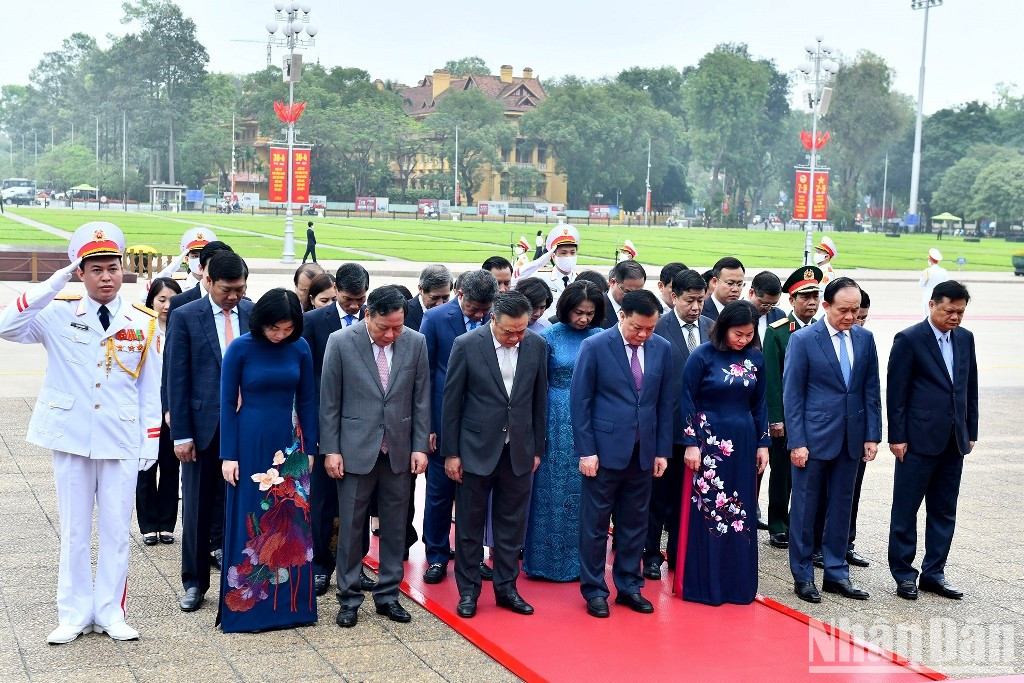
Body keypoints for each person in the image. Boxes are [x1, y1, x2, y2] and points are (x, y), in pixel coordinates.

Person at [0, 222, 160, 644]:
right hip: (71, 435)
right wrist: (50, 285)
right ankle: (72, 613)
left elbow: (150, 387)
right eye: (96, 269)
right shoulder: (55, 311)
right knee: (73, 530)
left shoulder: (141, 321)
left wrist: (151, 439)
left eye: (113, 267)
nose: (107, 277)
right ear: (80, 272)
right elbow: (7, 326)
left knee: (114, 530)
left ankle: (110, 612)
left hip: (121, 436)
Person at [318, 286, 429, 627]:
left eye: (397, 327)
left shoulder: (415, 342)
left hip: (397, 450)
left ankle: (388, 595)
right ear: (368, 315)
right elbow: (330, 402)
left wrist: (419, 446)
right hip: (354, 450)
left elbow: (421, 399)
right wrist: (331, 449)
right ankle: (349, 597)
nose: (391, 334)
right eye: (385, 328)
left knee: (396, 527)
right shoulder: (340, 342)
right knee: (351, 526)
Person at [217, 289, 317, 632]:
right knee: (252, 513)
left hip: (290, 445)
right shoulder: (240, 348)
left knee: (293, 519)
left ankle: (293, 608)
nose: (280, 335)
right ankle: (249, 605)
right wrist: (228, 454)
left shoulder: (300, 348)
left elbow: (307, 400)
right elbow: (227, 404)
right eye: (274, 328)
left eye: (287, 329)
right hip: (250, 441)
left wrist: (311, 448)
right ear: (261, 321)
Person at [443, 291, 548, 618]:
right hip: (476, 449)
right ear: (492, 321)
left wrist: (537, 449)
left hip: (518, 449)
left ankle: (506, 588)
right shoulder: (466, 344)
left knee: (511, 525)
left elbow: (538, 400)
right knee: (470, 526)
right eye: (508, 332)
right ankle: (469, 592)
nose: (516, 337)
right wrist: (451, 453)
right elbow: (451, 404)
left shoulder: (536, 345)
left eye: (521, 330)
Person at [571, 290, 672, 618]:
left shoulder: (662, 349)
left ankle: (629, 585)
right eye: (637, 328)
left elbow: (664, 404)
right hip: (603, 452)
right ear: (622, 317)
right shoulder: (596, 347)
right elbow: (581, 402)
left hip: (643, 453)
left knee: (635, 523)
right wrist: (586, 451)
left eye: (650, 329)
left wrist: (661, 451)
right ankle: (595, 589)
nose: (643, 335)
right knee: (595, 524)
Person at [783, 277, 881, 604]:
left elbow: (870, 390)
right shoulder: (805, 340)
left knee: (842, 507)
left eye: (855, 311)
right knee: (805, 509)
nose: (850, 317)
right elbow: (792, 395)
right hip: (812, 439)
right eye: (843, 310)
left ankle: (837, 573)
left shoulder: (865, 340)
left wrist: (872, 435)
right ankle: (803, 575)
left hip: (851, 439)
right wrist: (796, 441)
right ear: (826, 306)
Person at [166, 250, 254, 613]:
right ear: (208, 281)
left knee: (247, 505)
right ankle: (195, 582)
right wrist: (181, 434)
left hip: (247, 426)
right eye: (227, 289)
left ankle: (246, 578)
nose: (234, 296)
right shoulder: (186, 316)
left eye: (241, 289)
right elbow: (176, 376)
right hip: (204, 427)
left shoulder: (253, 313)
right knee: (199, 509)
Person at [672, 300, 769, 605]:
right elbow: (685, 399)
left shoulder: (755, 358)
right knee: (708, 511)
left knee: (740, 510)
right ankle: (703, 584)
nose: (743, 340)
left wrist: (763, 444)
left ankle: (736, 585)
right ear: (724, 328)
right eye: (738, 334)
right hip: (708, 443)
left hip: (743, 441)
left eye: (748, 334)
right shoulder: (703, 355)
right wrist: (689, 443)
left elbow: (760, 402)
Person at [887, 280, 978, 601]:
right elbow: (896, 393)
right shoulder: (910, 340)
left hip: (954, 440)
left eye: (961, 312)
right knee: (906, 509)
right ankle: (903, 574)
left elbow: (969, 388)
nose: (955, 317)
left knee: (944, 510)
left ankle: (934, 573)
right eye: (949, 310)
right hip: (916, 440)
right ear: (932, 305)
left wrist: (971, 432)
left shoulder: (965, 340)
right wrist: (896, 436)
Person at [419, 269, 498, 584]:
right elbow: (423, 375)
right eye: (474, 309)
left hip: (482, 425)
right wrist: (427, 426)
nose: (480, 315)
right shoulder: (437, 319)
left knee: (476, 496)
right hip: (443, 422)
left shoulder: (495, 319)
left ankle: (472, 556)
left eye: (485, 310)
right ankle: (437, 555)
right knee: (439, 493)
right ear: (459, 295)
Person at [523, 282, 605, 581]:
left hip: (591, 418)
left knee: (585, 491)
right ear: (566, 309)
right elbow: (535, 383)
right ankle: (543, 562)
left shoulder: (600, 337)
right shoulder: (549, 338)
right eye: (578, 312)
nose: (583, 319)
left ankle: (581, 563)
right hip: (554, 418)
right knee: (550, 490)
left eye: (589, 313)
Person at [302, 263, 371, 597]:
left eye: (360, 299)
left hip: (364, 426)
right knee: (323, 500)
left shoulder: (374, 321)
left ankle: (356, 564)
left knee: (360, 500)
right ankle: (319, 565)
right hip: (323, 422)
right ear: (336, 291)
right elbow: (305, 375)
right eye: (348, 299)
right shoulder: (314, 322)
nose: (355, 306)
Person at [643, 269, 712, 580]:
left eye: (701, 300)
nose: (696, 307)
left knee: (691, 498)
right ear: (673, 297)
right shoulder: (657, 329)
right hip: (668, 429)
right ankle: (651, 555)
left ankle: (679, 553)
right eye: (689, 300)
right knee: (659, 498)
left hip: (704, 432)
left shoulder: (712, 329)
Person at [762, 266, 822, 551]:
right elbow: (772, 379)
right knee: (783, 473)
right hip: (788, 416)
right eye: (805, 296)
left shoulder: (825, 330)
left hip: (819, 416)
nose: (811, 302)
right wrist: (776, 418)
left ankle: (804, 523)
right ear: (792, 300)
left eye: (815, 296)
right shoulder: (778, 333)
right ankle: (778, 524)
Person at [137, 277, 183, 547]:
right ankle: (148, 525)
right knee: (145, 469)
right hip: (146, 409)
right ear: (151, 301)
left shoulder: (184, 327)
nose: (167, 305)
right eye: (161, 299)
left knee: (170, 467)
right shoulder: (143, 329)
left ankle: (166, 524)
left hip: (172, 410)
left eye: (172, 300)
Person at [542, 224, 580, 312]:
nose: (569, 256)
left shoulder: (580, 279)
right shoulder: (542, 278)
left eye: (572, 252)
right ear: (553, 256)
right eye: (563, 253)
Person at [601, 260, 647, 329]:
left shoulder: (645, 309)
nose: (634, 297)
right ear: (613, 282)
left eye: (638, 292)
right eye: (628, 292)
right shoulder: (596, 308)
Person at [407, 265, 453, 331]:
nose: (440, 304)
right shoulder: (404, 314)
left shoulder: (456, 314)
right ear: (420, 289)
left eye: (445, 297)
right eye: (434, 298)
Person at [747, 271, 785, 345]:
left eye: (773, 304)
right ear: (751, 293)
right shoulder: (736, 313)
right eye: (764, 304)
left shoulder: (779, 316)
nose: (768, 308)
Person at [702, 257, 745, 321]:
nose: (735, 289)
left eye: (739, 284)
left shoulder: (745, 313)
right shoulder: (700, 312)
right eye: (730, 283)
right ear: (715, 282)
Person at [919, 248, 948, 318]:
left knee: (927, 315)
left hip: (928, 295)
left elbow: (921, 284)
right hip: (941, 296)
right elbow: (947, 284)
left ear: (930, 259)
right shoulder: (944, 271)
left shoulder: (927, 271)